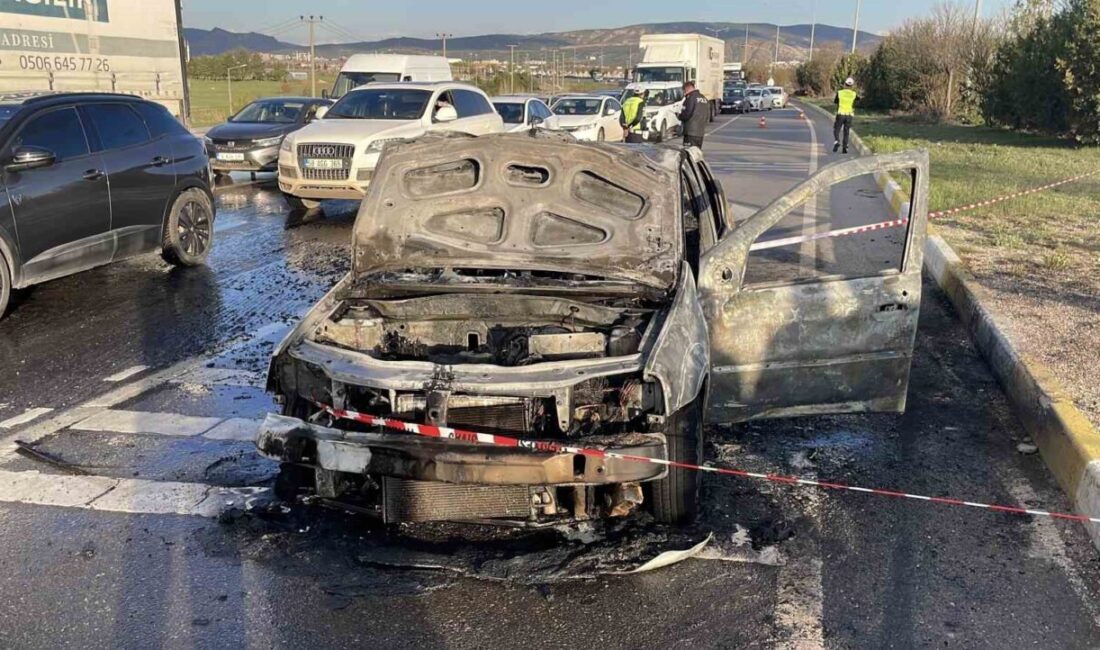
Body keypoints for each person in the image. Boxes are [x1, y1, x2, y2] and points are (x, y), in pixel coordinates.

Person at [677, 81, 710, 148]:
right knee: (697, 153)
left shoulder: (690, 98)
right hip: (700, 132)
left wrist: (679, 116)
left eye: (684, 91)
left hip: (690, 131)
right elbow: (707, 115)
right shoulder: (704, 98)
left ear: (686, 89)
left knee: (688, 153)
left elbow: (687, 114)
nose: (684, 93)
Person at [833, 77, 858, 154]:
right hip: (849, 115)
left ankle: (837, 141)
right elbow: (857, 100)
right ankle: (845, 147)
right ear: (852, 86)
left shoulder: (840, 93)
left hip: (841, 114)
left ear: (844, 84)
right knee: (846, 131)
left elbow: (835, 101)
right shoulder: (854, 94)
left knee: (836, 128)